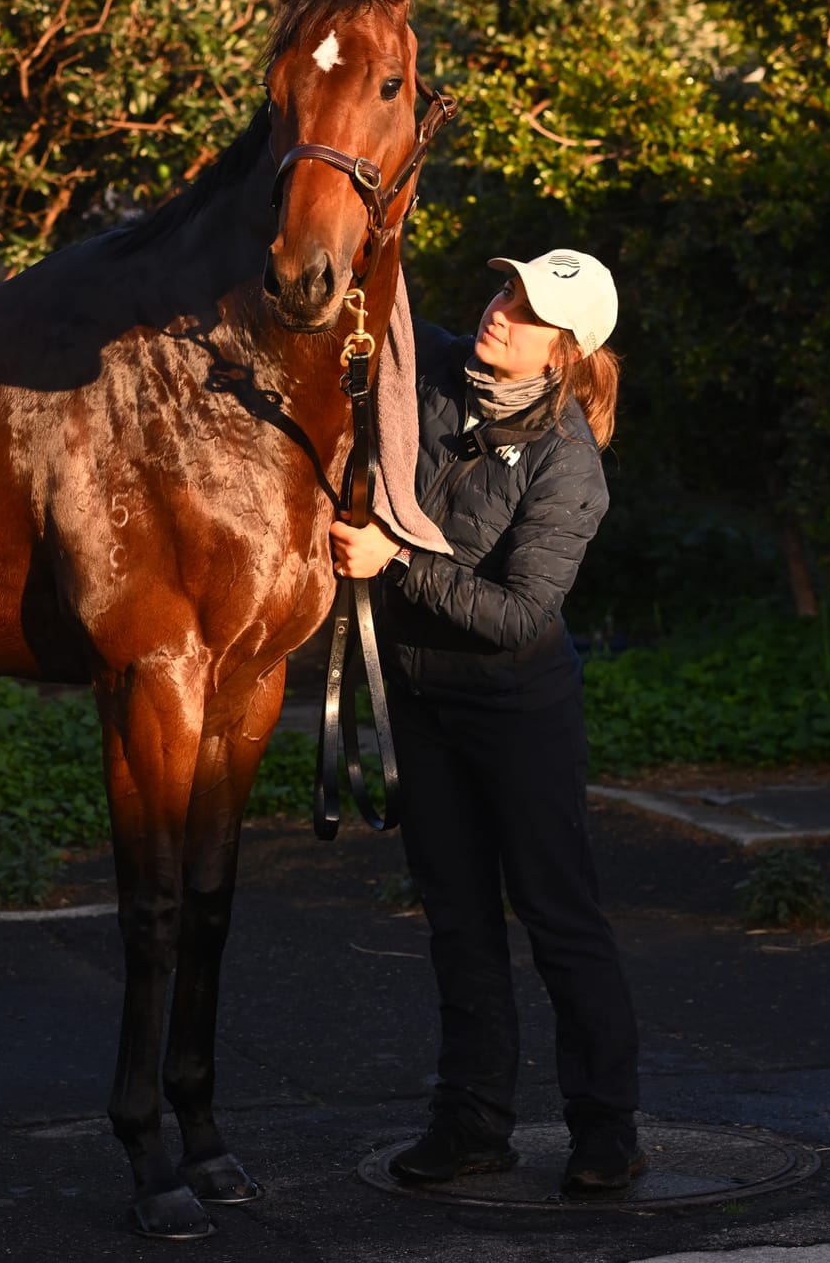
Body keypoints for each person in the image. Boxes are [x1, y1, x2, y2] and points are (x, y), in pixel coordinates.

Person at [328, 248, 643, 1195]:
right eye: (505, 289)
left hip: (519, 712)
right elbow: (374, 310)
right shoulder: (437, 376)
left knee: (560, 919)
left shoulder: (569, 463)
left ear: (564, 351)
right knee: (459, 923)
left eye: (530, 309)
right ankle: (471, 1125)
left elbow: (517, 615)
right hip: (424, 702)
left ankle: (605, 1129)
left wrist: (394, 562)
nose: (501, 310)